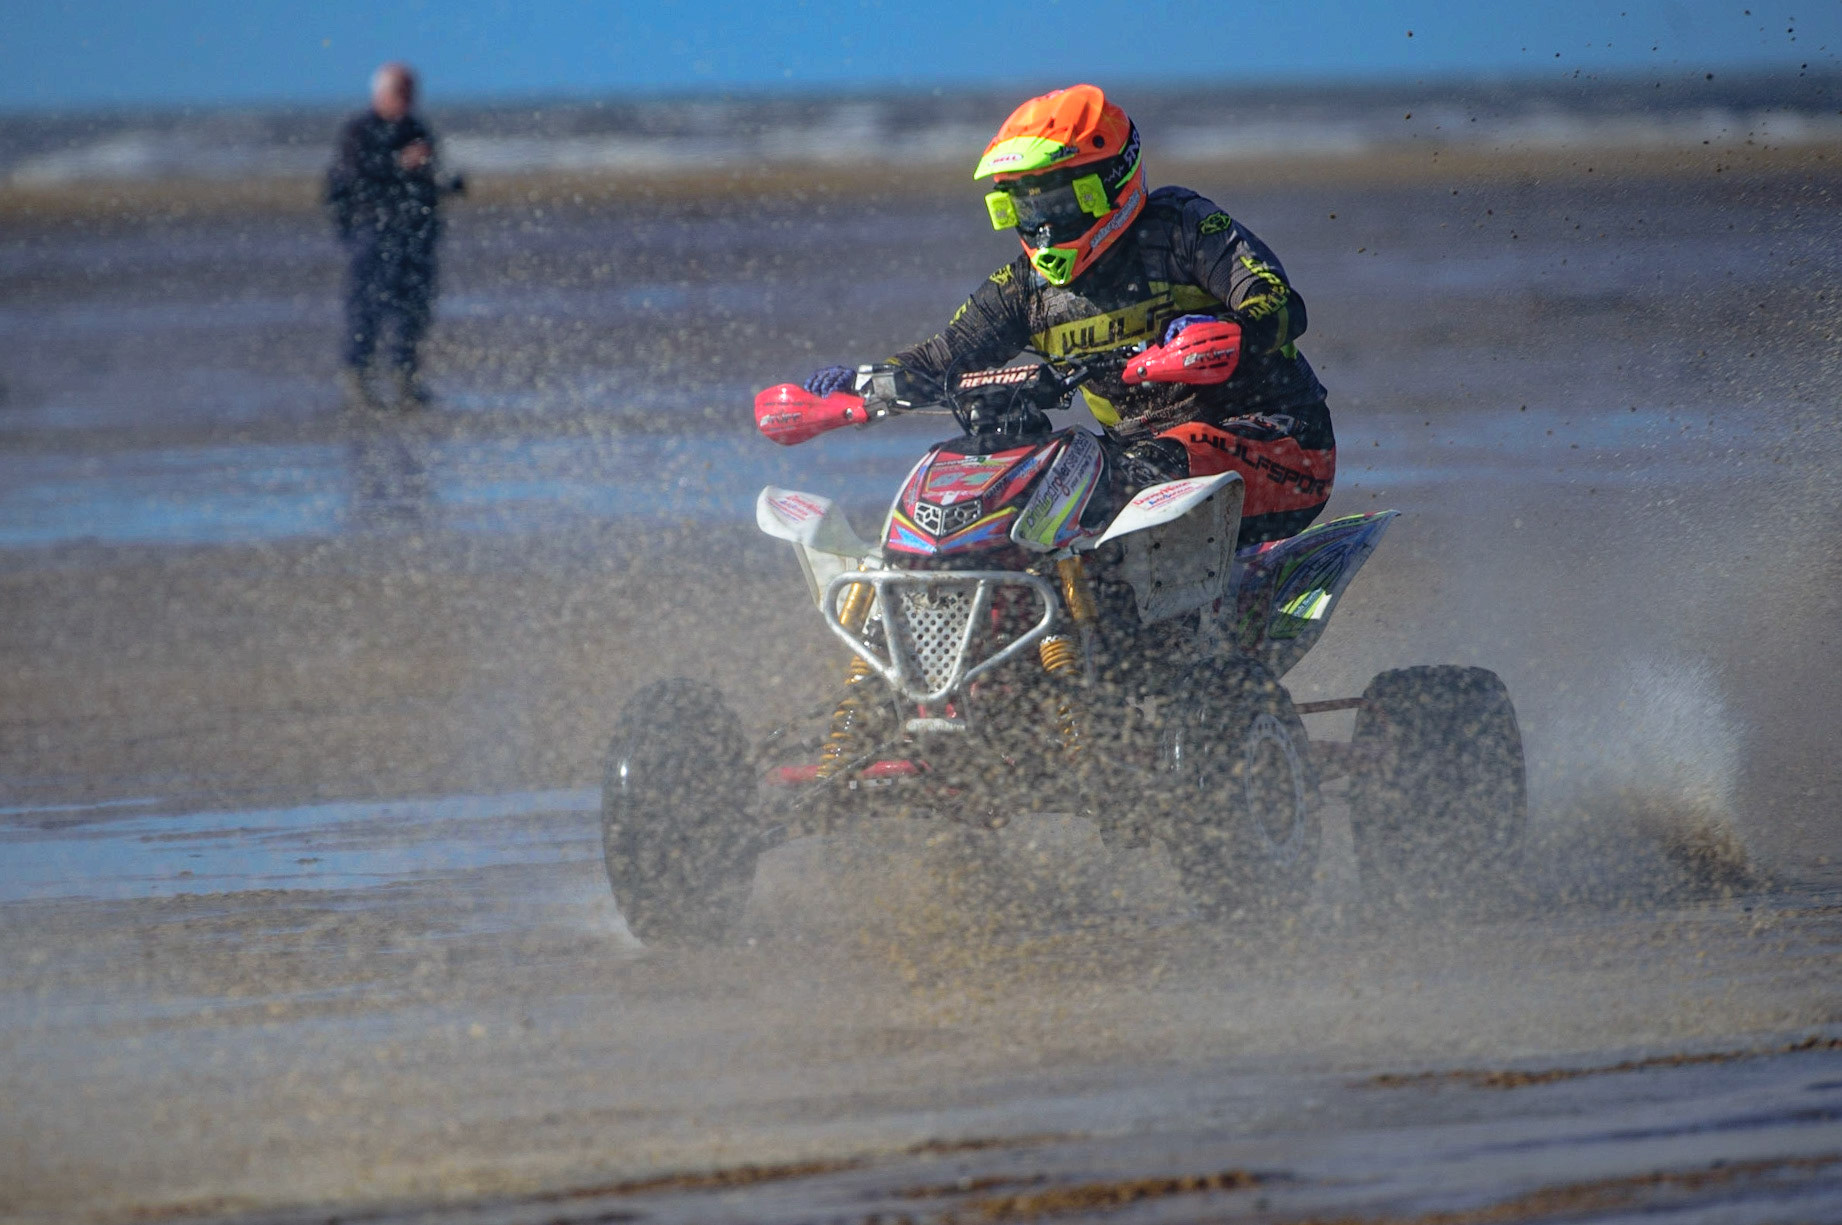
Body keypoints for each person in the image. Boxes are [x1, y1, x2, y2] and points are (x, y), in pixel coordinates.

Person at [803, 84, 1334, 548]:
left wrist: (1228, 336)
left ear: (1109, 182)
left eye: (1056, 204)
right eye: (1025, 209)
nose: (1042, 227)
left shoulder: (1181, 228)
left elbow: (1280, 303)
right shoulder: (1024, 288)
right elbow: (938, 360)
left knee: (1114, 476)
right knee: (1016, 483)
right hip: (1134, 460)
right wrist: (855, 385)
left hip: (1281, 447)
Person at [325, 62, 462, 410]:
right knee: (366, 307)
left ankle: (405, 379)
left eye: (411, 93)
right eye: (400, 92)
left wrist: (445, 182)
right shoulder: (359, 130)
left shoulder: (416, 128)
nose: (407, 100)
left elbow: (428, 176)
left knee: (412, 308)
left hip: (415, 233)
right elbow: (350, 178)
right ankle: (358, 379)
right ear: (381, 93)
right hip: (373, 232)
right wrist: (398, 164)